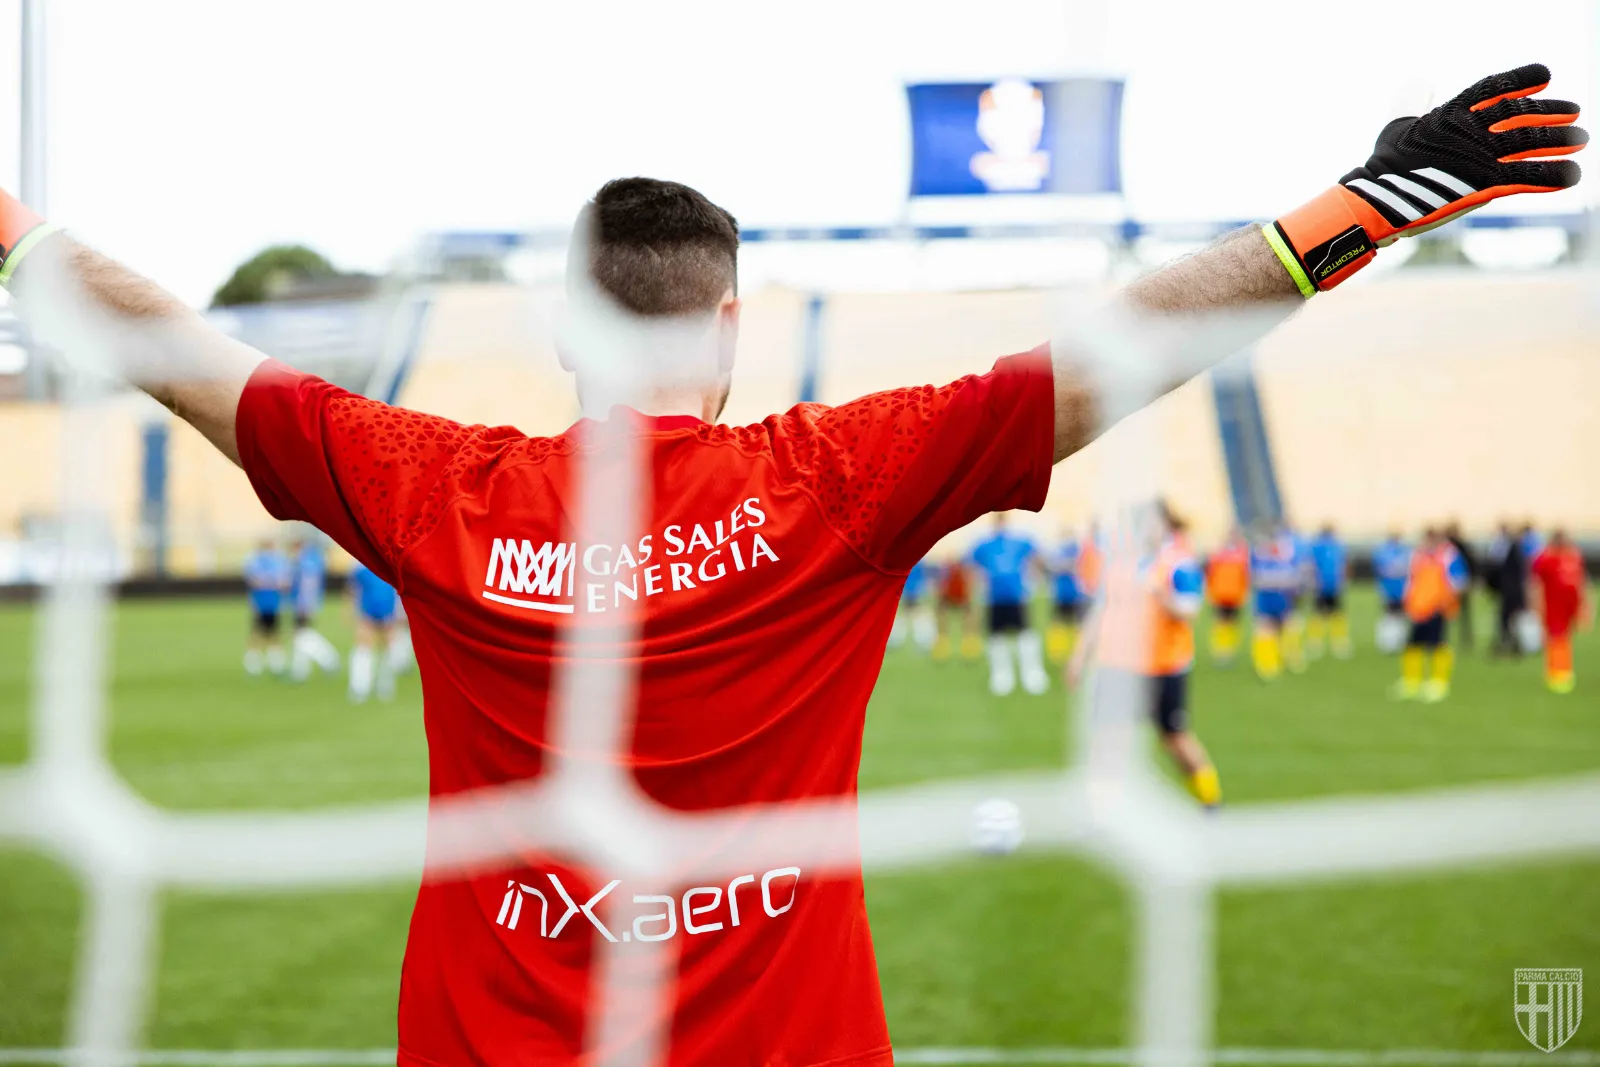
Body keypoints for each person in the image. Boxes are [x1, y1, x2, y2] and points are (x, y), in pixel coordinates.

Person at [0, 62, 1579, 1064]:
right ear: (729, 326)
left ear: (570, 325)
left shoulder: (435, 489)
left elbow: (178, 349)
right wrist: (1372, 205)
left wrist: (11, 230)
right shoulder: (833, 481)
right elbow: (1113, 354)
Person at [1070, 501, 1220, 808]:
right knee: (1110, 737)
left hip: (1164, 666)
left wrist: (1159, 593)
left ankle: (1211, 799)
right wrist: (1079, 656)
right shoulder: (1120, 563)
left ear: (1165, 524)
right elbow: (1103, 610)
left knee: (1175, 738)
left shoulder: (1178, 564)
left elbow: (1190, 610)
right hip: (1120, 665)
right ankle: (1103, 809)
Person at [968, 513, 1049, 696]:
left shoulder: (1018, 541)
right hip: (994, 598)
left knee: (1025, 635)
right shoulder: (985, 544)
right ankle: (1001, 677)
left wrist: (1036, 576)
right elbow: (972, 563)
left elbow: (1037, 555)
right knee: (997, 638)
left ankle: (1032, 675)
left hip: (1016, 596)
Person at [1393, 526, 1469, 702]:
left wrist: (1448, 600)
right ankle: (1411, 682)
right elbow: (1412, 580)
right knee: (1413, 644)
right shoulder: (1419, 555)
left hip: (1437, 607)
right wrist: (1409, 600)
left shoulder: (1448, 555)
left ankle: (1439, 682)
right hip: (1419, 608)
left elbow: (1459, 580)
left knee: (1437, 644)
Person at [1530, 529, 1590, 693]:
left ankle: (1561, 671)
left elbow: (1581, 582)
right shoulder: (1545, 559)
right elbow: (1536, 583)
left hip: (1568, 605)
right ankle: (1558, 672)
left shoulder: (1574, 556)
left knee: (1563, 638)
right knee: (1556, 638)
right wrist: (1536, 604)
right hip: (1553, 605)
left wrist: (1584, 606)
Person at [1249, 523, 1306, 680]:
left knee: (1288, 629)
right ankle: (1266, 664)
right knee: (1265, 631)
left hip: (1284, 601)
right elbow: (1254, 579)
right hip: (1266, 602)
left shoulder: (1288, 555)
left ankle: (1290, 657)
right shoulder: (1258, 556)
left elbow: (1296, 580)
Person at [346, 561, 402, 703]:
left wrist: (399, 613)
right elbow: (353, 589)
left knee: (387, 648)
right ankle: (360, 687)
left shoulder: (391, 563)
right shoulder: (360, 565)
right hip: (368, 610)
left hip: (387, 609)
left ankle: (384, 686)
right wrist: (351, 610)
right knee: (364, 647)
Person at [288, 537, 342, 681]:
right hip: (306, 602)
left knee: (302, 634)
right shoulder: (312, 558)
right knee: (300, 635)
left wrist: (305, 604)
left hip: (304, 603)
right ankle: (300, 670)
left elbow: (309, 584)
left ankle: (328, 660)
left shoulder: (305, 560)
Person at [241, 539, 290, 676]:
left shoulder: (275, 561)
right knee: (260, 634)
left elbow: (284, 583)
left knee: (270, 634)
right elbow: (254, 582)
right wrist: (273, 583)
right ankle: (255, 665)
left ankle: (273, 665)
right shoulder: (258, 562)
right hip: (264, 603)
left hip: (270, 603)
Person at [1204, 527, 1250, 665]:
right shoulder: (1217, 554)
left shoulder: (1242, 554)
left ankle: (1229, 650)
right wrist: (1210, 591)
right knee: (1221, 623)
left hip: (1235, 594)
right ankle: (1221, 650)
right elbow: (1211, 574)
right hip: (1220, 594)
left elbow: (1245, 575)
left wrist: (1245, 591)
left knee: (1232, 623)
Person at [1485, 521, 1531, 657]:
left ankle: (1510, 644)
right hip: (1513, 589)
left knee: (1508, 618)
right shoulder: (1516, 548)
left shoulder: (1510, 548)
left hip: (1510, 590)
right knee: (1511, 619)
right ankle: (1512, 644)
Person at [1306, 524, 1351, 659]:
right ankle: (1337, 642)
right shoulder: (1335, 545)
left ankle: (1317, 642)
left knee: (1322, 614)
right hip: (1331, 584)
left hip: (1324, 584)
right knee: (1333, 614)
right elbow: (1343, 565)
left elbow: (1311, 565)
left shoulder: (1320, 545)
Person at [1043, 527, 1086, 664]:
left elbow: (1076, 565)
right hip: (1060, 593)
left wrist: (1063, 566)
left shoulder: (1076, 549)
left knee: (1077, 623)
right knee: (1058, 623)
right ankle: (1058, 651)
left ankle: (1079, 651)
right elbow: (1052, 567)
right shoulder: (1058, 550)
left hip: (1075, 593)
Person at [930, 557, 982, 663]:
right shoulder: (948, 571)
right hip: (949, 597)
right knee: (943, 620)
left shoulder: (963, 571)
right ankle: (943, 645)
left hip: (960, 597)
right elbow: (941, 587)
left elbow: (969, 585)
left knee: (969, 620)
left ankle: (969, 645)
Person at [1372, 530, 1412, 655]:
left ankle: (1399, 641)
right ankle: (1388, 642)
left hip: (1400, 590)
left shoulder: (1404, 551)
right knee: (1390, 616)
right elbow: (1380, 571)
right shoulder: (1384, 552)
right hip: (1390, 589)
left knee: (1400, 616)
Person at [1443, 521, 1479, 652]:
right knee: (1450, 613)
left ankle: (1465, 639)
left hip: (1459, 583)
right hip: (1453, 583)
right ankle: (1451, 639)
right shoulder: (1449, 547)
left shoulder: (1456, 547)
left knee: (1461, 614)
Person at [888, 557, 936, 653]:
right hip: (910, 591)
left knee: (908, 616)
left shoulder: (911, 561)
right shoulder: (918, 561)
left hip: (908, 591)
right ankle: (896, 640)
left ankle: (898, 640)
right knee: (909, 616)